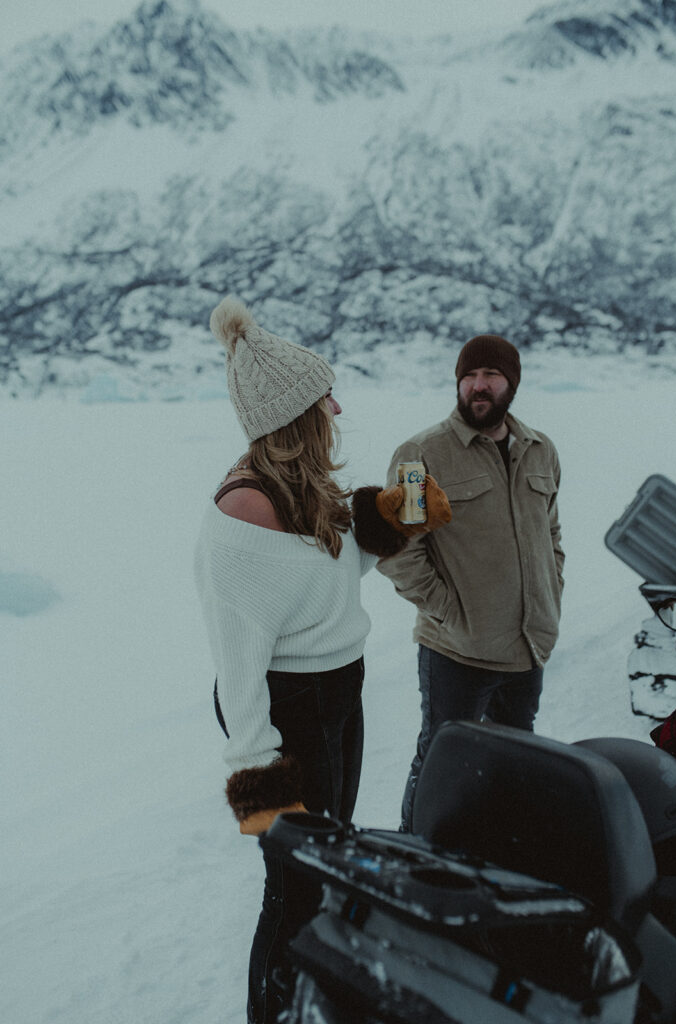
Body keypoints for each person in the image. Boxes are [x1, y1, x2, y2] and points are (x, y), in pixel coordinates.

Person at [194, 295, 450, 1023]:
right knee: (295, 882)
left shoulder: (303, 491)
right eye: (323, 399)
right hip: (284, 705)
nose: (337, 409)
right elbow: (237, 665)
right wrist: (258, 779)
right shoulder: (243, 518)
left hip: (338, 688)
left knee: (327, 862)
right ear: (293, 418)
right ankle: (271, 1012)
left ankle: (309, 998)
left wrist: (398, 511)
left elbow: (331, 578)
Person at [377, 333, 564, 832]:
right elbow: (398, 549)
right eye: (469, 376)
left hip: (527, 646)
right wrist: (449, 612)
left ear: (512, 383)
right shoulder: (422, 456)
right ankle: (413, 857)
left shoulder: (540, 450)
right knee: (441, 761)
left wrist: (551, 594)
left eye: (491, 376)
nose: (479, 386)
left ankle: (494, 849)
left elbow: (551, 532)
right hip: (457, 652)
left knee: (515, 758)